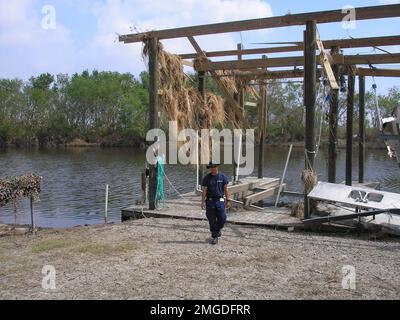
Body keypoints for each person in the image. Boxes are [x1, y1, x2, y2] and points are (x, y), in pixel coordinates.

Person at [201, 160, 230, 245]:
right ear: (210, 168)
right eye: (211, 167)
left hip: (220, 200)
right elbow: (204, 191)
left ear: (217, 167)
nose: (213, 168)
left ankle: (219, 228)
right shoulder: (207, 178)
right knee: (212, 220)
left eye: (214, 166)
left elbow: (225, 189)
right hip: (210, 201)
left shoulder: (223, 177)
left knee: (223, 218)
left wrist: (228, 200)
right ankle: (214, 236)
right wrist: (202, 202)